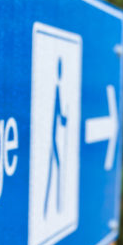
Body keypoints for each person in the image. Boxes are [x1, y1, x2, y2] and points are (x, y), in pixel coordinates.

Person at [44, 57, 68, 217]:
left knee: (53, 170)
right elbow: (59, 115)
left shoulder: (55, 88)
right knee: (54, 169)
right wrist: (66, 118)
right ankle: (51, 207)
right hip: (52, 137)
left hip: (52, 136)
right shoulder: (57, 90)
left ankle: (52, 208)